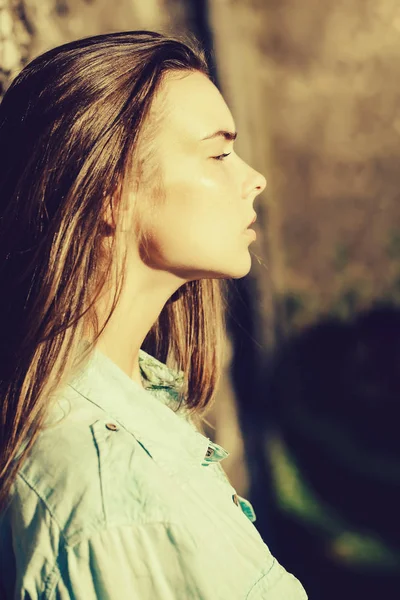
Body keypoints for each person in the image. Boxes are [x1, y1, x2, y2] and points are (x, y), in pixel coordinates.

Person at [0, 30, 307, 599]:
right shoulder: (114, 506)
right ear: (109, 195)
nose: (253, 178)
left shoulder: (139, 405)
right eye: (218, 153)